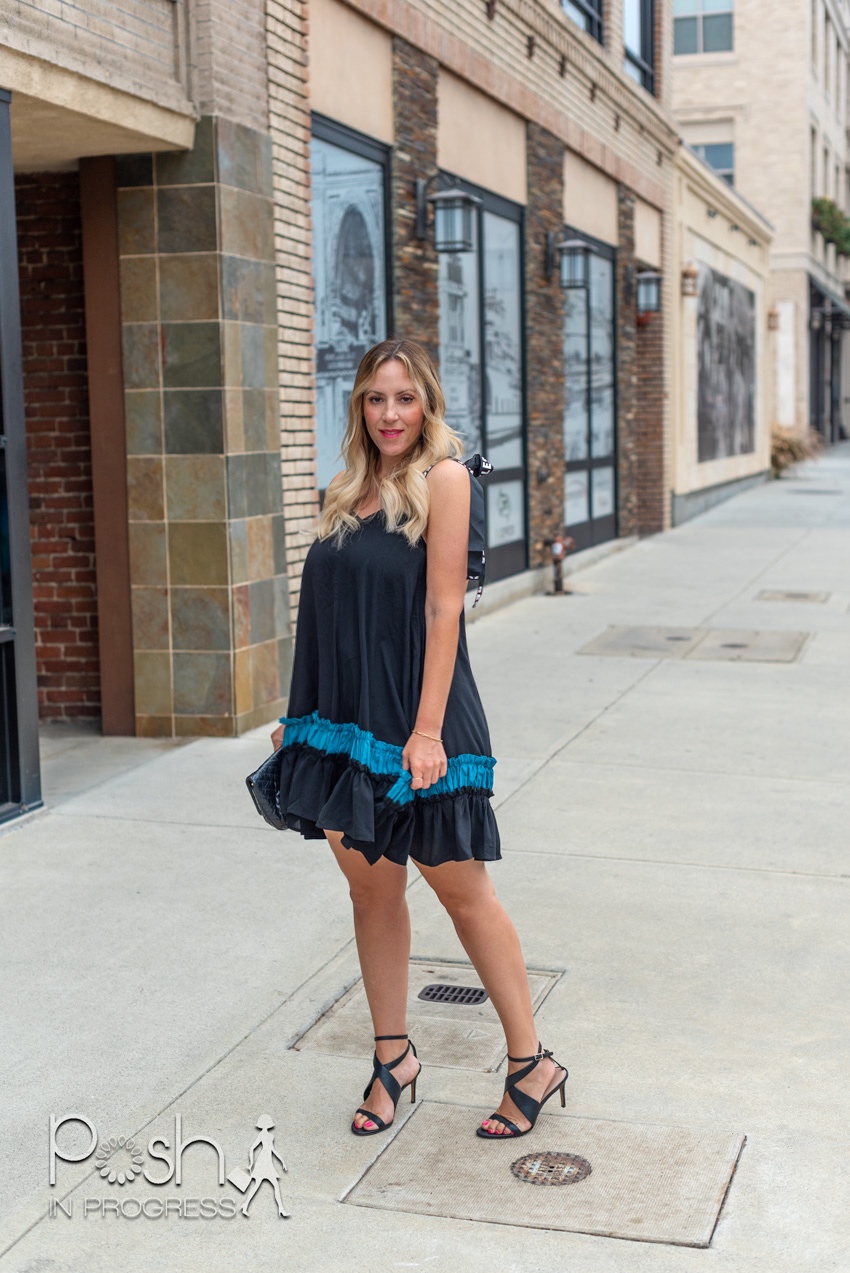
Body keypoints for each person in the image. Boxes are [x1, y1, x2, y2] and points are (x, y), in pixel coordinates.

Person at [270, 338, 567, 1139]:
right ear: (358, 406)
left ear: (426, 404)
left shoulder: (445, 479)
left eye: (404, 398)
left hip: (422, 722)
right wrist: (302, 719)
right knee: (371, 891)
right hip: (344, 728)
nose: (390, 413)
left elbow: (444, 609)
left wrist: (428, 729)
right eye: (375, 398)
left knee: (464, 893)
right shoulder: (346, 488)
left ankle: (531, 1058)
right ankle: (392, 1056)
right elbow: (329, 619)